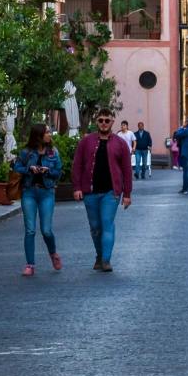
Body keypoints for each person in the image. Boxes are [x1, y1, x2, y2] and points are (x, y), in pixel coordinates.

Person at [71, 108, 134, 271]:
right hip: (90, 191)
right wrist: (77, 187)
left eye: (107, 120)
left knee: (107, 223)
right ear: (96, 122)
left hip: (111, 192)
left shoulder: (120, 143)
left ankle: (106, 260)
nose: (104, 123)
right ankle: (99, 255)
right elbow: (77, 165)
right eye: (101, 120)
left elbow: (127, 170)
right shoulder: (86, 142)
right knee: (95, 226)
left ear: (112, 122)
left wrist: (127, 194)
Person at [14, 124, 63, 276]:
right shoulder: (26, 152)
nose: (50, 134)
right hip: (29, 192)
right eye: (47, 132)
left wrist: (48, 171)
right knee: (30, 230)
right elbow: (16, 167)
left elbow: (58, 172)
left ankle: (53, 254)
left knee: (46, 230)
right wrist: (29, 169)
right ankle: (30, 265)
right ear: (39, 135)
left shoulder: (53, 153)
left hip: (46, 193)